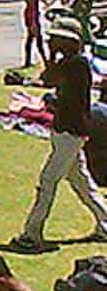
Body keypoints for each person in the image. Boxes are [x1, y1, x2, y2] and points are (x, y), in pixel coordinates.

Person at [9, 17, 107, 253]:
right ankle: (106, 225)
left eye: (55, 39)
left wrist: (50, 99)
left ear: (67, 41)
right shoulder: (72, 62)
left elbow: (63, 95)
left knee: (48, 181)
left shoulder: (77, 65)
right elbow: (49, 77)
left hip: (70, 132)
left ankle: (32, 234)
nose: (51, 41)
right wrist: (52, 58)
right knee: (82, 182)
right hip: (66, 131)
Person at [24, 0, 47, 67]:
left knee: (31, 38)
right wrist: (33, 20)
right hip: (31, 13)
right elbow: (31, 2)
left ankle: (28, 60)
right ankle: (44, 60)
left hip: (33, 13)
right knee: (37, 38)